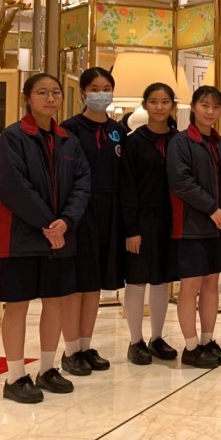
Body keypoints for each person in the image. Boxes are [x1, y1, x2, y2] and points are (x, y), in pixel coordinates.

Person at [0, 73, 90, 403]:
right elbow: (13, 187)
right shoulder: (12, 138)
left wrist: (66, 221)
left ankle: (47, 369)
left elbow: (82, 185)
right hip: (20, 236)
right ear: (27, 99)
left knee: (55, 302)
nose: (50, 98)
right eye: (42, 93)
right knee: (17, 305)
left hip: (60, 235)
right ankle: (15, 376)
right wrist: (48, 224)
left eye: (55, 93)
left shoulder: (68, 140)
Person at [167, 85, 221, 369]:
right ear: (194, 107)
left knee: (211, 283)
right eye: (205, 105)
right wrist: (212, 209)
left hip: (219, 226)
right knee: (191, 286)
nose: (210, 111)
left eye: (216, 107)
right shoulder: (181, 142)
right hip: (191, 226)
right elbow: (181, 182)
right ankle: (190, 346)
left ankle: (208, 340)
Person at [60, 67, 126, 376]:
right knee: (77, 283)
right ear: (83, 93)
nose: (102, 94)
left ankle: (86, 345)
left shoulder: (118, 131)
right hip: (80, 211)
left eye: (107, 88)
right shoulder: (69, 129)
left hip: (110, 211)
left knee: (96, 283)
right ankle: (70, 349)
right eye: (95, 89)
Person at [119, 83, 180, 366]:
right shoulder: (133, 142)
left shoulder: (179, 140)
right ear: (145, 105)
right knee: (136, 279)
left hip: (170, 219)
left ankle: (157, 338)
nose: (159, 107)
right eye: (153, 101)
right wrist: (131, 228)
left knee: (161, 280)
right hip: (141, 220)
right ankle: (136, 341)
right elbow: (127, 187)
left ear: (172, 106)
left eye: (165, 101)